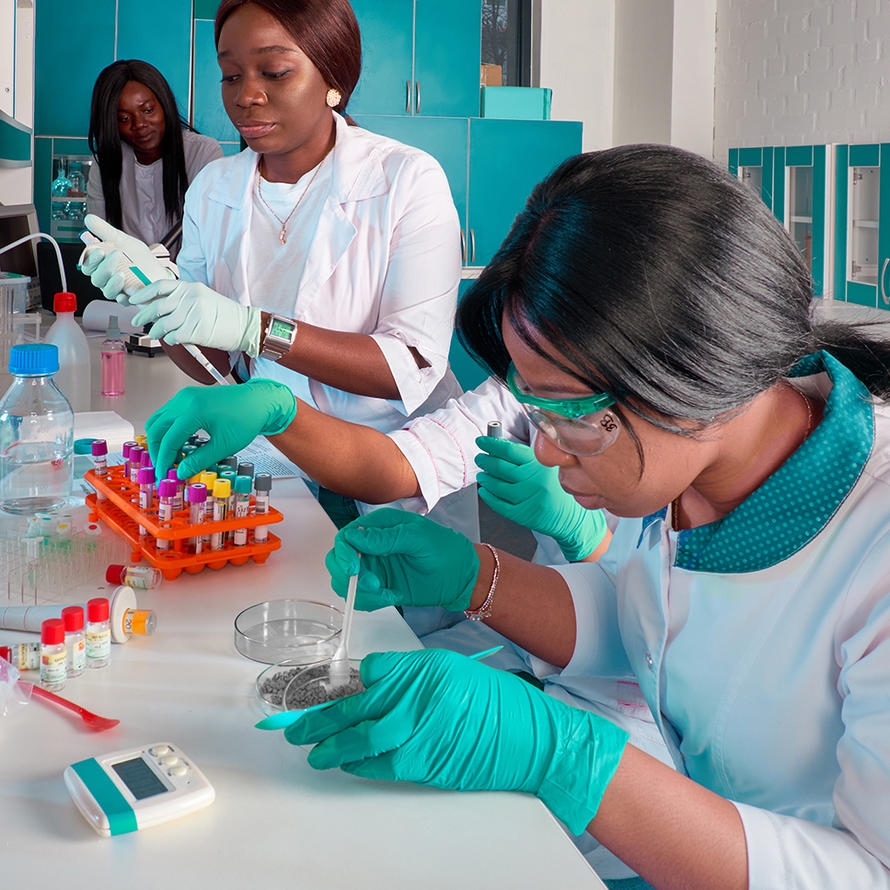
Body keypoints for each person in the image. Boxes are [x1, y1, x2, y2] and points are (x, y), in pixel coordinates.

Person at [268, 145, 890, 889]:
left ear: (693, 374)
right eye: (539, 411)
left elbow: (865, 870)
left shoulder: (873, 540)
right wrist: (472, 575)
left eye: (573, 418)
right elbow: (645, 615)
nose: (552, 456)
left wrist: (560, 754)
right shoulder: (686, 463)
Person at [81, 0, 476, 541]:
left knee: (409, 619)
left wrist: (254, 328)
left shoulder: (405, 179)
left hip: (395, 454)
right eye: (231, 74)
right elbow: (218, 367)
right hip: (280, 457)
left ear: (332, 78)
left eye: (275, 71)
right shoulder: (214, 190)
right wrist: (157, 303)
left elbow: (409, 363)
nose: (246, 95)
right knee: (294, 606)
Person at [87, 59, 223, 257]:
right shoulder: (105, 163)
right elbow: (99, 237)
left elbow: (211, 240)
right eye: (124, 118)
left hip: (190, 280)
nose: (140, 124)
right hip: (128, 281)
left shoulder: (203, 153)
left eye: (148, 110)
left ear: (164, 104)